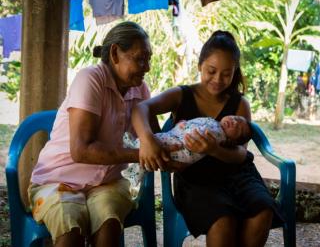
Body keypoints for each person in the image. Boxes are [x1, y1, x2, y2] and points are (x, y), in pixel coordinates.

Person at [28, 21, 179, 247]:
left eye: (148, 59)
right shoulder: (90, 79)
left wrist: (184, 141)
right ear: (115, 53)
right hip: (57, 179)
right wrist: (141, 153)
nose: (147, 67)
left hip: (107, 182)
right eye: (140, 59)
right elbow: (81, 151)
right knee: (71, 231)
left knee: (108, 223)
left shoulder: (140, 89)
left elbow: (154, 141)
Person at [132, 30, 284, 246]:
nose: (218, 80)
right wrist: (148, 140)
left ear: (235, 72)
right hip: (196, 180)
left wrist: (214, 150)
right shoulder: (181, 95)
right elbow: (141, 108)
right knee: (223, 221)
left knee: (262, 212)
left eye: (226, 74)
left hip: (238, 176)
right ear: (200, 65)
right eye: (211, 71)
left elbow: (241, 155)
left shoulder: (240, 103)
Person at [121, 115, 252, 196]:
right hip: (180, 138)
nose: (234, 122)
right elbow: (195, 124)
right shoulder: (214, 122)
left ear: (233, 141)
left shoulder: (218, 135)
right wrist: (183, 124)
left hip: (183, 147)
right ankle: (135, 159)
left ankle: (135, 158)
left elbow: (196, 134)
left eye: (238, 128)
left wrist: (184, 128)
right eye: (236, 118)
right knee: (157, 143)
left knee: (159, 144)